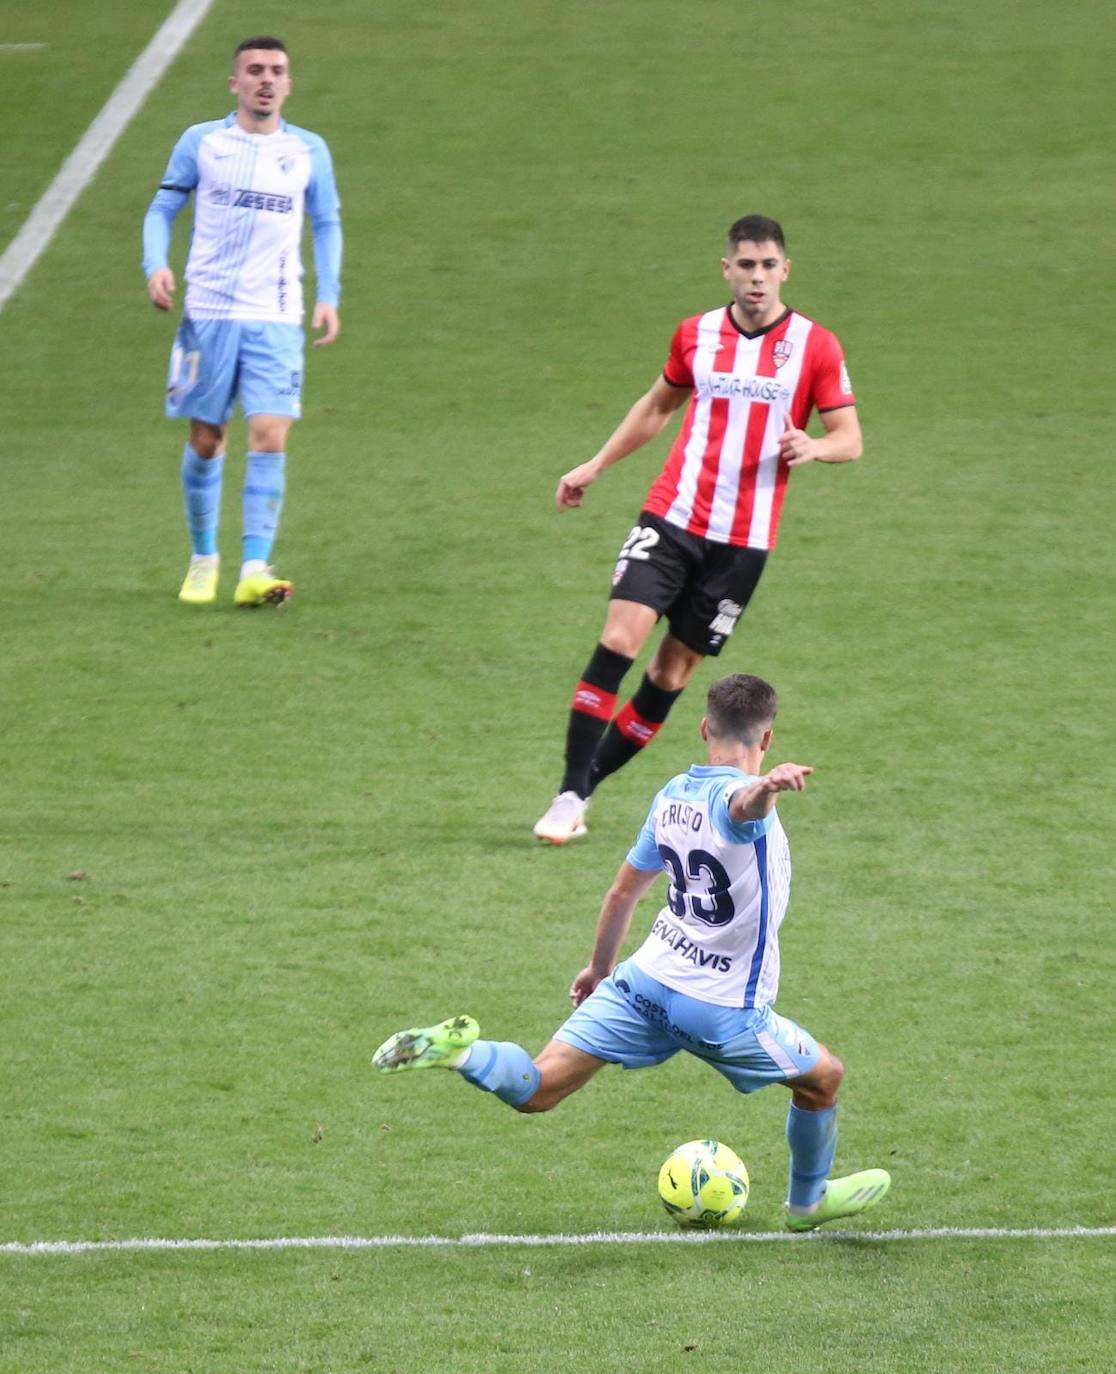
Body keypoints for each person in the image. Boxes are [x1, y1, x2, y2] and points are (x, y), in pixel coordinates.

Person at [374, 674, 891, 1233]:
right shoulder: (740, 801)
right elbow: (740, 809)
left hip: (644, 979)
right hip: (720, 1007)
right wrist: (769, 786)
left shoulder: (671, 795)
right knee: (824, 1079)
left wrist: (598, 970)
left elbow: (623, 892)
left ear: (703, 729)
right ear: (766, 740)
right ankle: (806, 1203)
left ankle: (461, 1055)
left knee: (540, 1089)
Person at [534, 215, 861, 843]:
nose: (757, 277)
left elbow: (850, 438)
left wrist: (815, 448)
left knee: (669, 676)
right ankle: (568, 790)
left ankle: (587, 789)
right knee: (618, 639)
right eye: (746, 265)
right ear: (727, 270)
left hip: (742, 544)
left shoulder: (817, 346)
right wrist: (596, 464)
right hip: (674, 517)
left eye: (768, 265)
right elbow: (658, 405)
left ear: (785, 270)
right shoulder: (698, 334)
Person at [142, 36, 342, 607]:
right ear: (235, 83)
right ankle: (204, 558)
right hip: (209, 311)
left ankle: (255, 566)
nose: (266, 79)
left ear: (288, 83)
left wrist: (328, 294)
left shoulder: (309, 151)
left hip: (276, 315)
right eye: (254, 70)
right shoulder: (203, 143)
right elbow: (162, 209)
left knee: (271, 432)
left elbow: (326, 223)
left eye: (277, 70)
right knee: (207, 439)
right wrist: (156, 264)